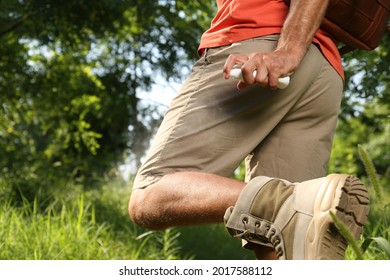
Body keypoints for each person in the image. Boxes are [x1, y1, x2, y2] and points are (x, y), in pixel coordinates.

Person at [128, 0, 370, 260]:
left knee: (151, 195)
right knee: (279, 243)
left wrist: (288, 51)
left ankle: (298, 204)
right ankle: (301, 206)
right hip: (324, 69)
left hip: (261, 46)